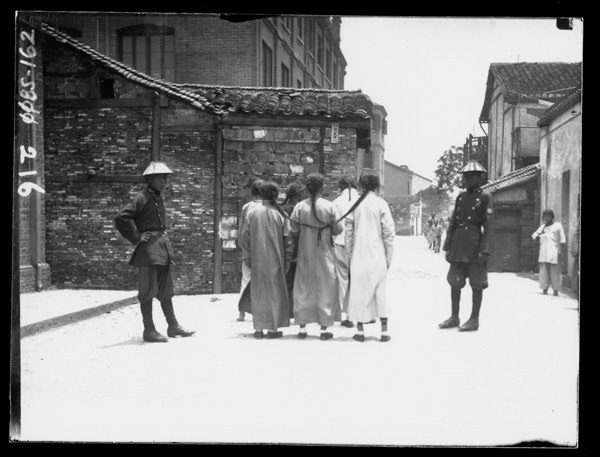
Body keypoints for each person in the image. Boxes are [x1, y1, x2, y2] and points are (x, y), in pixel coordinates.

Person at [115, 161, 195, 343]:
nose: (164, 181)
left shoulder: (158, 197)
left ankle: (173, 326)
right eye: (160, 178)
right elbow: (121, 218)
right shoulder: (141, 197)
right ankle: (149, 330)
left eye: (166, 177)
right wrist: (136, 238)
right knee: (148, 291)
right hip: (149, 251)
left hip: (162, 248)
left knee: (166, 290)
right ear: (150, 179)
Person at [439, 160, 493, 332]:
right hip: (458, 245)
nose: (468, 179)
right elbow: (453, 223)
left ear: (480, 177)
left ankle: (474, 319)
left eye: (472, 176)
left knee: (477, 283)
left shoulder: (485, 197)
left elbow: (489, 226)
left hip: (475, 244)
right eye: (466, 176)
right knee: (455, 280)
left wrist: (484, 250)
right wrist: (448, 247)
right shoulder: (461, 197)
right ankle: (454, 317)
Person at [290, 173, 342, 340]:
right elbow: (338, 229)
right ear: (322, 188)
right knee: (326, 287)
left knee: (303, 287)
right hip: (324, 252)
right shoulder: (329, 206)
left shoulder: (299, 207)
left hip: (304, 253)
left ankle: (302, 328)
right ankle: (324, 329)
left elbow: (294, 229)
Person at [345, 171, 395, 342]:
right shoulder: (381, 204)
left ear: (360, 185)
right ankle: (384, 330)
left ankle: (360, 331)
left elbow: (348, 232)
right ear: (376, 186)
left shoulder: (354, 204)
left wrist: (350, 254)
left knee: (359, 290)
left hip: (359, 254)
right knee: (380, 292)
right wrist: (389, 257)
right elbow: (389, 232)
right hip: (378, 254)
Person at [241, 181, 293, 339]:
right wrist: (288, 261)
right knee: (274, 294)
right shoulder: (280, 215)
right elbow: (288, 241)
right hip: (276, 261)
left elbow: (244, 238)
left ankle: (258, 329)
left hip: (257, 261)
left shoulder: (253, 213)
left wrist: (247, 256)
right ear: (275, 196)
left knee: (258, 293)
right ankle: (273, 329)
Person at [332, 175, 360, 328]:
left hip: (340, 243)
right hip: (358, 245)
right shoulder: (362, 201)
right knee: (357, 278)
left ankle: (344, 314)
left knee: (342, 279)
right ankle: (357, 313)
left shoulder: (335, 203)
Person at [236, 177, 264, 321]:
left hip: (249, 248)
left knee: (246, 279)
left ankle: (242, 312)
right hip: (264, 250)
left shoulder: (247, 207)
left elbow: (242, 231)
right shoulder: (269, 208)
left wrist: (244, 250)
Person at [280, 181, 305, 313]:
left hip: (286, 249)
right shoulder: (300, 208)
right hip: (297, 248)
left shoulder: (282, 209)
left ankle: (288, 309)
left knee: (288, 280)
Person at [532, 209, 566, 296]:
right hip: (544, 252)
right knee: (543, 272)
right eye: (545, 216)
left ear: (552, 217)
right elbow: (534, 235)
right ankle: (544, 289)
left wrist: (561, 250)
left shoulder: (558, 225)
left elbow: (562, 239)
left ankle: (555, 290)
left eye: (549, 216)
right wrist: (539, 235)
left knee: (555, 272)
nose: (547, 218)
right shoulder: (542, 227)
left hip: (554, 251)